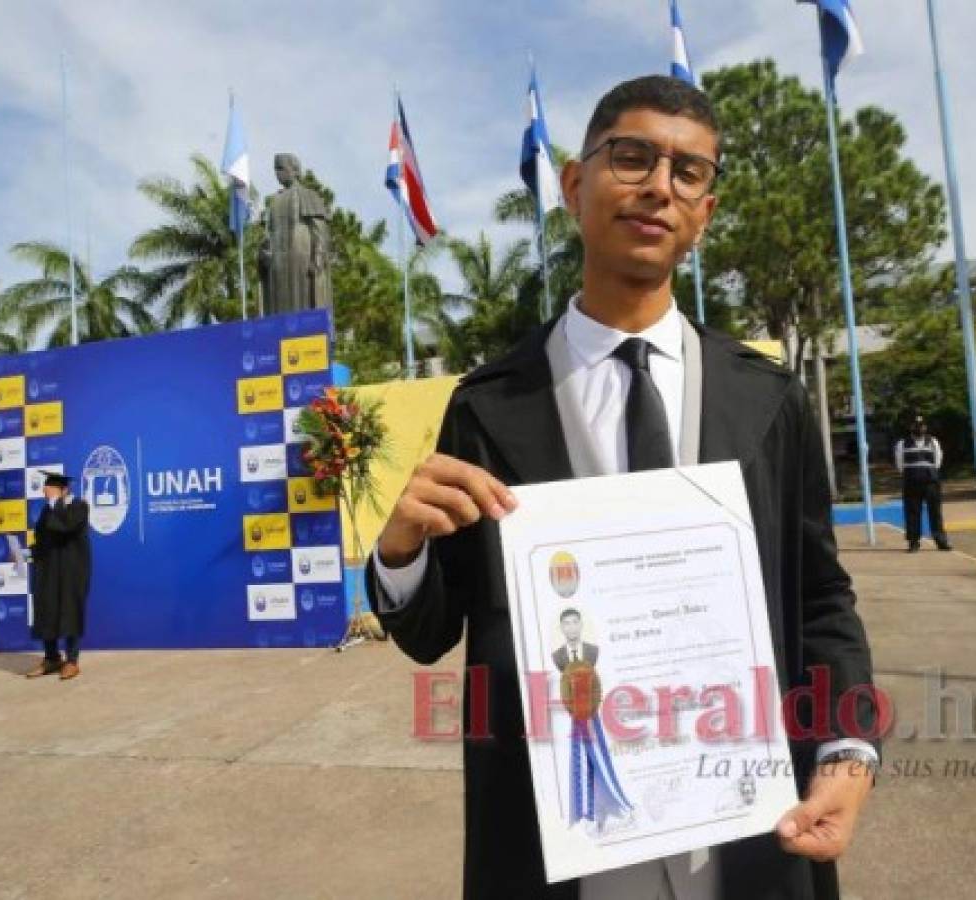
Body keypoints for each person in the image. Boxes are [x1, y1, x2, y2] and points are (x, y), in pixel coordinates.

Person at [368, 76, 880, 899]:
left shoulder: (768, 401)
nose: (657, 187)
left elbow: (821, 598)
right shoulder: (490, 406)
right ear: (574, 184)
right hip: (561, 841)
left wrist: (847, 752)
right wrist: (400, 555)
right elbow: (433, 632)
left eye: (688, 172)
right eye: (632, 157)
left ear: (704, 216)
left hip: (745, 832)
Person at [25, 472, 91, 681]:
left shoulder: (80, 506)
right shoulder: (47, 510)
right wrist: (26, 553)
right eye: (46, 488)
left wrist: (55, 503)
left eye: (50, 488)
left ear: (64, 490)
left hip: (72, 571)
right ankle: (52, 658)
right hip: (49, 570)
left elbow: (66, 526)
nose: (45, 491)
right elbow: (43, 540)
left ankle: (72, 661)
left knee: (69, 612)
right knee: (47, 609)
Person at [258, 152, 332, 315]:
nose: (278, 173)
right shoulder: (274, 201)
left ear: (295, 170)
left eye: (281, 168)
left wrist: (317, 258)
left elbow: (319, 230)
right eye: (276, 170)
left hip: (301, 259)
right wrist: (263, 253)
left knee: (303, 302)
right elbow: (268, 234)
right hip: (278, 263)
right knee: (280, 306)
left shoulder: (309, 195)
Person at [893, 415, 952, 553]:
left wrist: (927, 473)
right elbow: (900, 464)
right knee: (912, 513)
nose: (919, 428)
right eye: (916, 425)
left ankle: (940, 540)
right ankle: (913, 542)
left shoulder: (933, 442)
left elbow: (937, 462)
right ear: (911, 427)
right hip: (911, 483)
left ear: (925, 427)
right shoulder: (902, 444)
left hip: (931, 483)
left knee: (935, 512)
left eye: (922, 425)